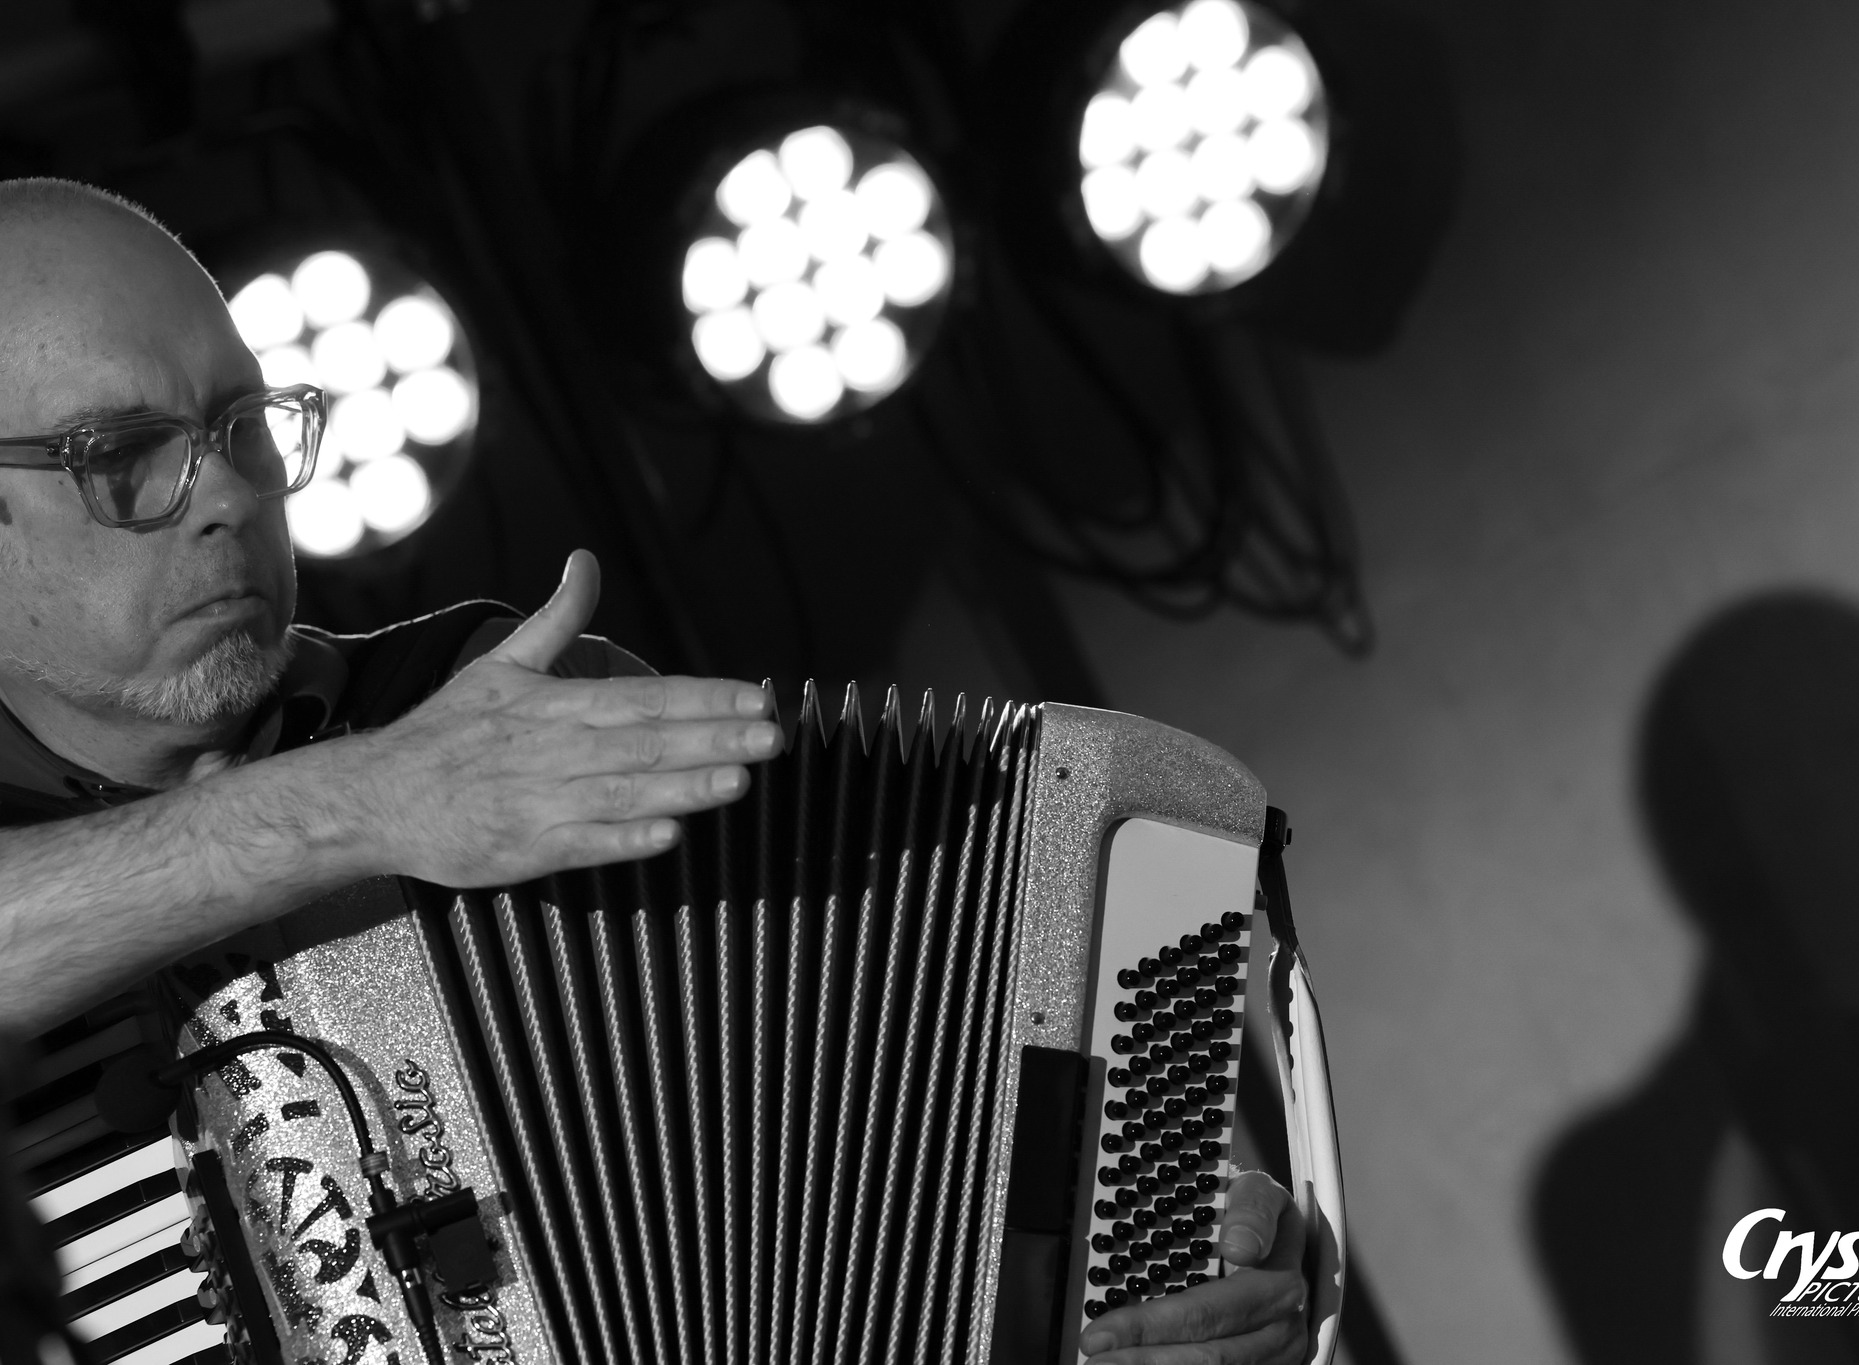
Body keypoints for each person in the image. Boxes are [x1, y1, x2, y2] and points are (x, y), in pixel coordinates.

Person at [0, 178, 1308, 1364]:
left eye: (243, 424)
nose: (229, 495)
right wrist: (364, 804)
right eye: (120, 456)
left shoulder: (505, 712)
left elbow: (913, 1111)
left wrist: (1135, 1262)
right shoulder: (430, 759)